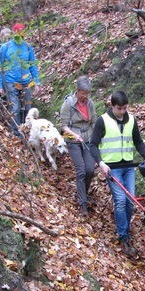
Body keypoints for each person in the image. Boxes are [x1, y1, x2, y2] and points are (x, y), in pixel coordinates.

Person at [90, 90, 145, 257]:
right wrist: (101, 163)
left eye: (125, 108)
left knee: (130, 201)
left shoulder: (131, 120)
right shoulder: (103, 121)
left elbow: (138, 141)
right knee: (121, 201)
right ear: (112, 106)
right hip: (112, 168)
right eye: (119, 109)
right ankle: (124, 237)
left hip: (129, 167)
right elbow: (93, 144)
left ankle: (126, 230)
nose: (122, 112)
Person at [60, 76, 97, 216]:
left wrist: (96, 137)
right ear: (77, 91)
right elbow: (63, 126)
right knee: (81, 170)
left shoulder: (90, 104)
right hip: (73, 139)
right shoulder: (68, 104)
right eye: (83, 93)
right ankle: (83, 204)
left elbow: (94, 121)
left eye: (87, 93)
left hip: (87, 140)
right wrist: (74, 135)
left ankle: (84, 193)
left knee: (90, 169)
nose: (85, 96)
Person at [0, 23, 40, 138]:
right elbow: (0, 67)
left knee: (28, 107)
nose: (20, 34)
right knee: (15, 107)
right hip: (11, 81)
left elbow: (32, 66)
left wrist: (37, 82)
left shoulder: (28, 47)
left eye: (22, 32)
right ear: (14, 32)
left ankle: (29, 130)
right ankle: (17, 133)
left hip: (27, 81)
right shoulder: (5, 47)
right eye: (18, 32)